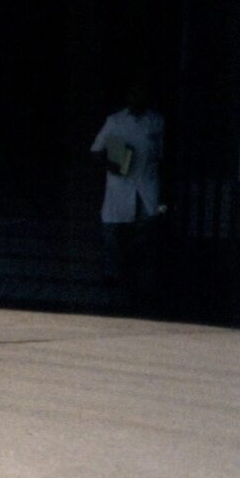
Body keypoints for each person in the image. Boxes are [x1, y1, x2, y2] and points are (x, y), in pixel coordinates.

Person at [90, 82, 165, 311]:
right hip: (119, 190)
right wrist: (111, 163)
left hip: (147, 190)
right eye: (134, 93)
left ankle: (141, 290)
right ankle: (114, 281)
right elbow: (96, 151)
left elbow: (161, 155)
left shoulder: (157, 122)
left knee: (145, 238)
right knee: (113, 236)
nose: (138, 97)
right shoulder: (115, 122)